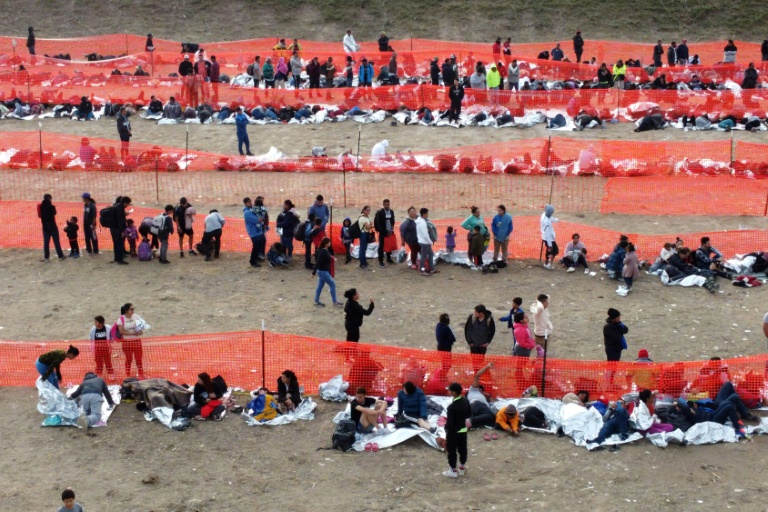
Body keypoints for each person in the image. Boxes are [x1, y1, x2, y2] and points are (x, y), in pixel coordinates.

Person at [443, 382, 471, 478]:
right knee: (463, 449)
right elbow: (468, 414)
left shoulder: (451, 407)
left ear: (454, 393)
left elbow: (450, 423)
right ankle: (462, 467)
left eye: (450, 390)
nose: (449, 391)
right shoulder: (466, 401)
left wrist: (446, 428)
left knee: (452, 451)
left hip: (453, 432)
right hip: (463, 430)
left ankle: (453, 470)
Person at [115, 303, 147, 378]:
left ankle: (141, 373)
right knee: (129, 359)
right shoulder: (121, 319)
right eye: (131, 309)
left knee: (139, 359)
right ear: (126, 310)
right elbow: (121, 331)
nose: (133, 311)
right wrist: (132, 333)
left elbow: (142, 326)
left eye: (133, 309)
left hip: (136, 341)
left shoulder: (136, 316)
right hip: (127, 342)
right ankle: (128, 374)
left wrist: (140, 331)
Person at [465, 363, 496, 429]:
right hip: (477, 404)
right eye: (481, 389)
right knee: (491, 416)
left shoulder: (483, 397)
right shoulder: (474, 390)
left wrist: (489, 397)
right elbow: (477, 376)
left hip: (474, 409)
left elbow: (494, 403)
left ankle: (469, 421)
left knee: (489, 422)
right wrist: (487, 367)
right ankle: (470, 420)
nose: (483, 391)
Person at [313, 238, 343, 307]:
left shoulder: (322, 251)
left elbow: (326, 257)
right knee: (332, 285)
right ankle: (334, 302)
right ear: (326, 244)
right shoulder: (323, 252)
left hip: (321, 271)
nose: (330, 244)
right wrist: (313, 272)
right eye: (329, 242)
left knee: (320, 286)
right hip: (323, 272)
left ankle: (316, 300)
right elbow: (318, 262)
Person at [39, 194, 65, 261]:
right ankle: (60, 256)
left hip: (45, 227)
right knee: (56, 242)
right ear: (50, 199)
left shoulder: (40, 206)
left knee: (46, 243)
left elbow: (39, 215)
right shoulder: (52, 207)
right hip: (53, 226)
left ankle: (46, 257)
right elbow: (54, 213)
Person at [242, 197, 264, 268]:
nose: (250, 203)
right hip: (253, 232)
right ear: (245, 204)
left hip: (258, 231)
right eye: (248, 202)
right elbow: (257, 220)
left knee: (258, 245)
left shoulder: (251, 210)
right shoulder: (247, 213)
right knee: (256, 246)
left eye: (250, 201)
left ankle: (256, 257)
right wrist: (262, 215)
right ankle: (252, 261)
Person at [110, 196, 132, 265]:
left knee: (116, 244)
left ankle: (116, 258)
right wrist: (122, 231)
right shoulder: (120, 209)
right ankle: (120, 259)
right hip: (118, 229)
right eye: (128, 204)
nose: (128, 205)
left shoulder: (116, 206)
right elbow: (120, 222)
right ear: (125, 203)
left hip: (113, 228)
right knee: (119, 244)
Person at [374, 199, 396, 267]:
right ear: (383, 205)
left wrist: (391, 230)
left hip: (390, 231)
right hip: (383, 233)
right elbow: (379, 224)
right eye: (386, 204)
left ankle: (388, 258)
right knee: (381, 246)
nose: (387, 206)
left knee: (389, 245)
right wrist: (385, 232)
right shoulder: (380, 213)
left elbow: (393, 221)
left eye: (388, 204)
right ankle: (381, 260)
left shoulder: (391, 211)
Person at [415, 207, 437, 275]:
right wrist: (430, 242)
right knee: (424, 257)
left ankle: (432, 268)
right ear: (424, 214)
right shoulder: (423, 223)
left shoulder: (419, 221)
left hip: (422, 241)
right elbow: (425, 235)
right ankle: (422, 270)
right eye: (427, 213)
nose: (428, 215)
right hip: (425, 242)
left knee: (430, 254)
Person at [541, 204, 558, 270]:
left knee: (549, 251)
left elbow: (550, 218)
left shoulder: (544, 215)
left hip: (546, 237)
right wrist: (550, 245)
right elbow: (547, 234)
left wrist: (555, 220)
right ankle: (549, 263)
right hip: (549, 239)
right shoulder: (547, 222)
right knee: (554, 251)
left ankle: (547, 263)